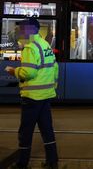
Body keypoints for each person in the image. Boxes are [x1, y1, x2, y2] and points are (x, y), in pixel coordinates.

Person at [6, 18, 59, 169]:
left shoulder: (30, 47)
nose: (20, 33)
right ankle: (52, 161)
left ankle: (22, 164)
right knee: (47, 129)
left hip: (32, 97)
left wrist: (13, 70)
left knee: (25, 132)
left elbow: (28, 73)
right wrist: (52, 86)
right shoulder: (45, 45)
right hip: (46, 95)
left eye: (22, 29)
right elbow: (55, 68)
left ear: (29, 30)